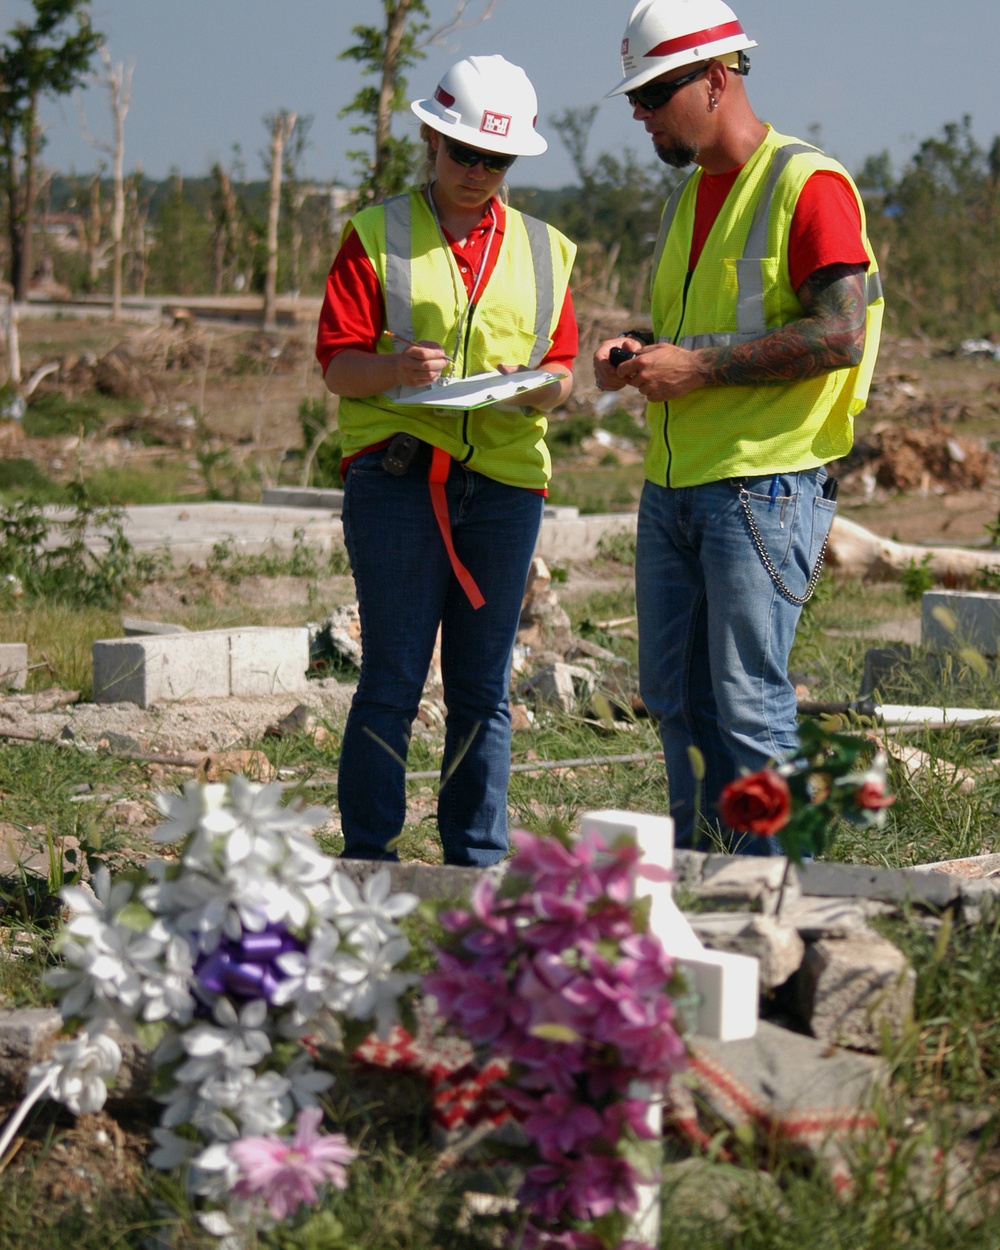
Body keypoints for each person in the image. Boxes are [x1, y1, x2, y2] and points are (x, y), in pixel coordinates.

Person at [594, 0, 884, 853]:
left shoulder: (808, 183)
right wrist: (643, 353)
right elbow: (709, 334)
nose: (639, 113)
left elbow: (840, 332)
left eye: (653, 93)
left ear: (716, 80)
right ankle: (707, 895)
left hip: (765, 485)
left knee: (752, 702)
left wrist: (697, 369)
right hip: (678, 484)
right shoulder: (690, 201)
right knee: (678, 698)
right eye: (636, 97)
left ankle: (798, 903)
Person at [316, 55, 578, 868]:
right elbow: (334, 365)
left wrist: (530, 390)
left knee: (481, 690)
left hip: (503, 490)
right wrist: (394, 371)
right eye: (463, 153)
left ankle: (475, 863)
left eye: (495, 161)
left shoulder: (546, 251)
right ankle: (369, 859)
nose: (477, 173)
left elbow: (562, 378)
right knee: (392, 679)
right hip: (396, 481)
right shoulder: (375, 235)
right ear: (432, 139)